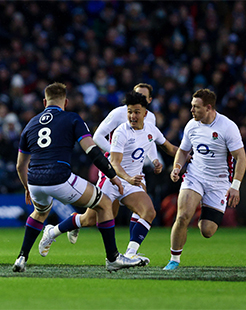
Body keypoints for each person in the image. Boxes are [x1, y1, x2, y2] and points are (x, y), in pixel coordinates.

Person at [12, 82, 144, 273]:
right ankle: (113, 258)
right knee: (105, 203)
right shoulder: (72, 118)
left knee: (40, 213)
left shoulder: (31, 123)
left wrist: (26, 187)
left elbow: (20, 165)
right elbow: (92, 151)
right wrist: (112, 175)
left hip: (34, 181)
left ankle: (21, 257)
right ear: (65, 101)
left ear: (44, 102)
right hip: (59, 177)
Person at [40, 91, 178, 264]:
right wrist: (127, 178)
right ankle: (52, 232)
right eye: (129, 112)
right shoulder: (121, 132)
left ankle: (131, 254)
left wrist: (185, 156)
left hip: (131, 181)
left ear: (145, 113)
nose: (132, 116)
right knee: (90, 219)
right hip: (112, 179)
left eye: (136, 112)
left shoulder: (151, 129)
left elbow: (169, 148)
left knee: (148, 211)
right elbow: (115, 164)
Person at [67, 83, 164, 244]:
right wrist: (116, 154)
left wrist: (154, 159)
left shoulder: (150, 118)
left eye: (143, 97)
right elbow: (97, 136)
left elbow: (149, 140)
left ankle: (132, 251)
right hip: (113, 170)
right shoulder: (119, 113)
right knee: (97, 218)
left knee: (144, 209)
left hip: (135, 171)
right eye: (136, 95)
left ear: (149, 100)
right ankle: (75, 221)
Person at [163, 89, 246, 270]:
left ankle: (204, 206)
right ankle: (173, 260)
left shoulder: (227, 127)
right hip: (195, 176)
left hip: (219, 182)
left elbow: (241, 158)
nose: (191, 110)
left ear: (208, 108)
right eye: (192, 106)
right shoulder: (192, 125)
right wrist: (177, 167)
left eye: (196, 107)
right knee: (183, 216)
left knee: (207, 230)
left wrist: (235, 186)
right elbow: (183, 151)